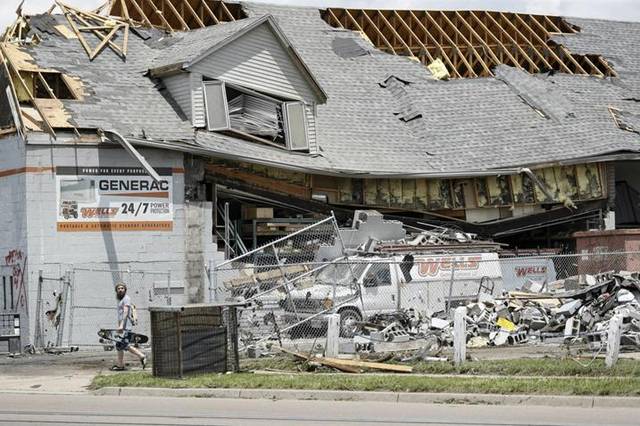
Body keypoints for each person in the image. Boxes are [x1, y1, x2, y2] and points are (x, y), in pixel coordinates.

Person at [111, 282, 146, 371]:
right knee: (119, 344)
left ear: (125, 290)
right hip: (123, 326)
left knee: (124, 344)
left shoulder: (126, 299)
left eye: (122, 288)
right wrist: (119, 325)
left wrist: (122, 325)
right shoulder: (121, 299)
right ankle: (120, 365)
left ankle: (142, 356)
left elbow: (125, 312)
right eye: (118, 288)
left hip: (126, 327)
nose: (120, 290)